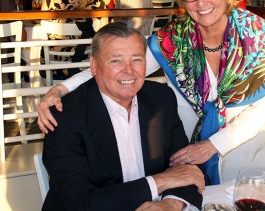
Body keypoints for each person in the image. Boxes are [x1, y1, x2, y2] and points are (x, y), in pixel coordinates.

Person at [37, 0, 265, 185]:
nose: (201, 2)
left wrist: (212, 146)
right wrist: (60, 89)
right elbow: (119, 69)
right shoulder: (173, 41)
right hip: (190, 153)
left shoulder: (258, 36)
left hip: (248, 154)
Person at [42, 22, 204, 210]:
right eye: (116, 61)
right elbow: (82, 203)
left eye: (137, 60)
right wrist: (161, 181)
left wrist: (170, 204)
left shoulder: (161, 99)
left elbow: (185, 168)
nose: (129, 70)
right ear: (94, 66)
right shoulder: (65, 117)